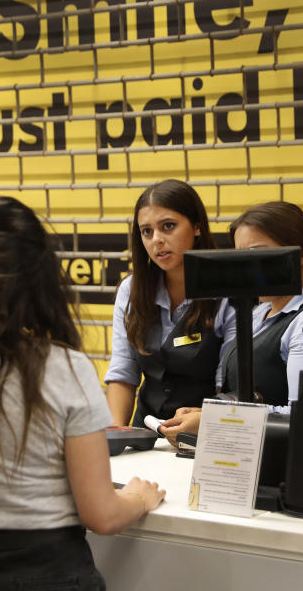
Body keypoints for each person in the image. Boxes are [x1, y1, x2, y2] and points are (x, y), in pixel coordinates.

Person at [0, 196, 165, 591]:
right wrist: (140, 498)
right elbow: (102, 515)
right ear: (40, 279)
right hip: (47, 570)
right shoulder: (65, 368)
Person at [158, 201, 303, 445]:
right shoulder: (259, 312)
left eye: (259, 252)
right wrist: (206, 414)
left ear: (299, 255)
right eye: (240, 255)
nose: (247, 266)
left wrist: (214, 421)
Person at [104, 179, 234, 427]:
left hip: (206, 434)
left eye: (168, 226)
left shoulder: (228, 293)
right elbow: (123, 372)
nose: (157, 240)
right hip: (147, 435)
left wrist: (204, 424)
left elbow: (228, 383)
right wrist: (117, 433)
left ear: (197, 227)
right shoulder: (131, 289)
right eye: (147, 231)